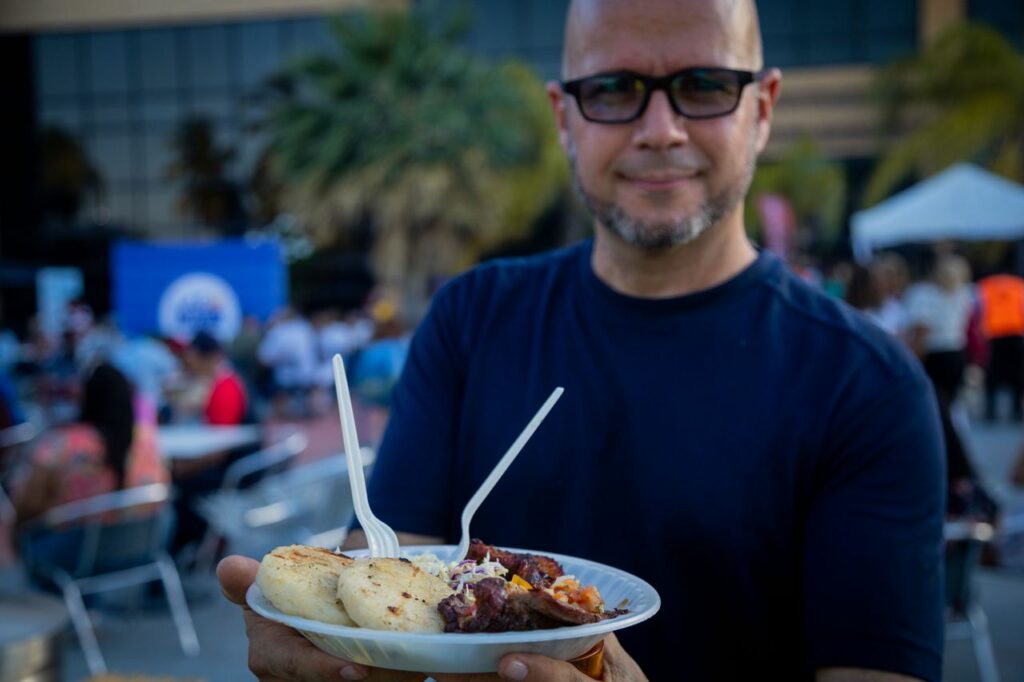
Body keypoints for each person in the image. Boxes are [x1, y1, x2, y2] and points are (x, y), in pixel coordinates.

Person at [217, 1, 945, 680]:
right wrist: (327, 641)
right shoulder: (473, 316)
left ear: (763, 108)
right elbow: (388, 566)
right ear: (563, 116)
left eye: (704, 85)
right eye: (614, 89)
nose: (659, 129)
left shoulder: (867, 384)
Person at [10, 362, 169, 584]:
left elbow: (28, 505)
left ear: (86, 398)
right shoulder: (147, 442)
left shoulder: (62, 444)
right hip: (140, 550)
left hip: (74, 555)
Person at [976, 269, 1024, 421]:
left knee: (993, 373)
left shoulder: (985, 286)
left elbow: (979, 309)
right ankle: (1016, 410)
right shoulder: (1019, 285)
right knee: (1017, 373)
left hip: (994, 333)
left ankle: (991, 410)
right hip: (1015, 332)